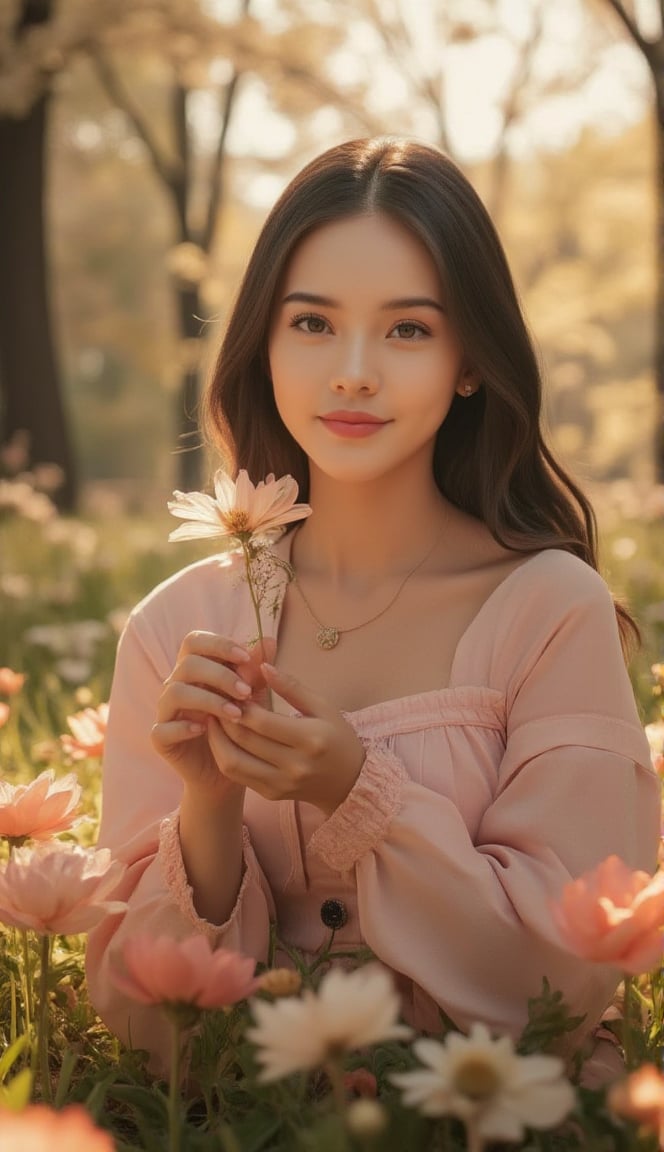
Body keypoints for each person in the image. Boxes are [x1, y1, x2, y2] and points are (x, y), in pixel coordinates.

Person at [85, 137, 659, 1082]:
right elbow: (152, 1043)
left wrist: (363, 794)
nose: (353, 372)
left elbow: (564, 979)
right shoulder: (175, 628)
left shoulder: (550, 609)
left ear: (470, 360)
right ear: (263, 344)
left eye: (408, 330)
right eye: (312, 324)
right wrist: (209, 806)